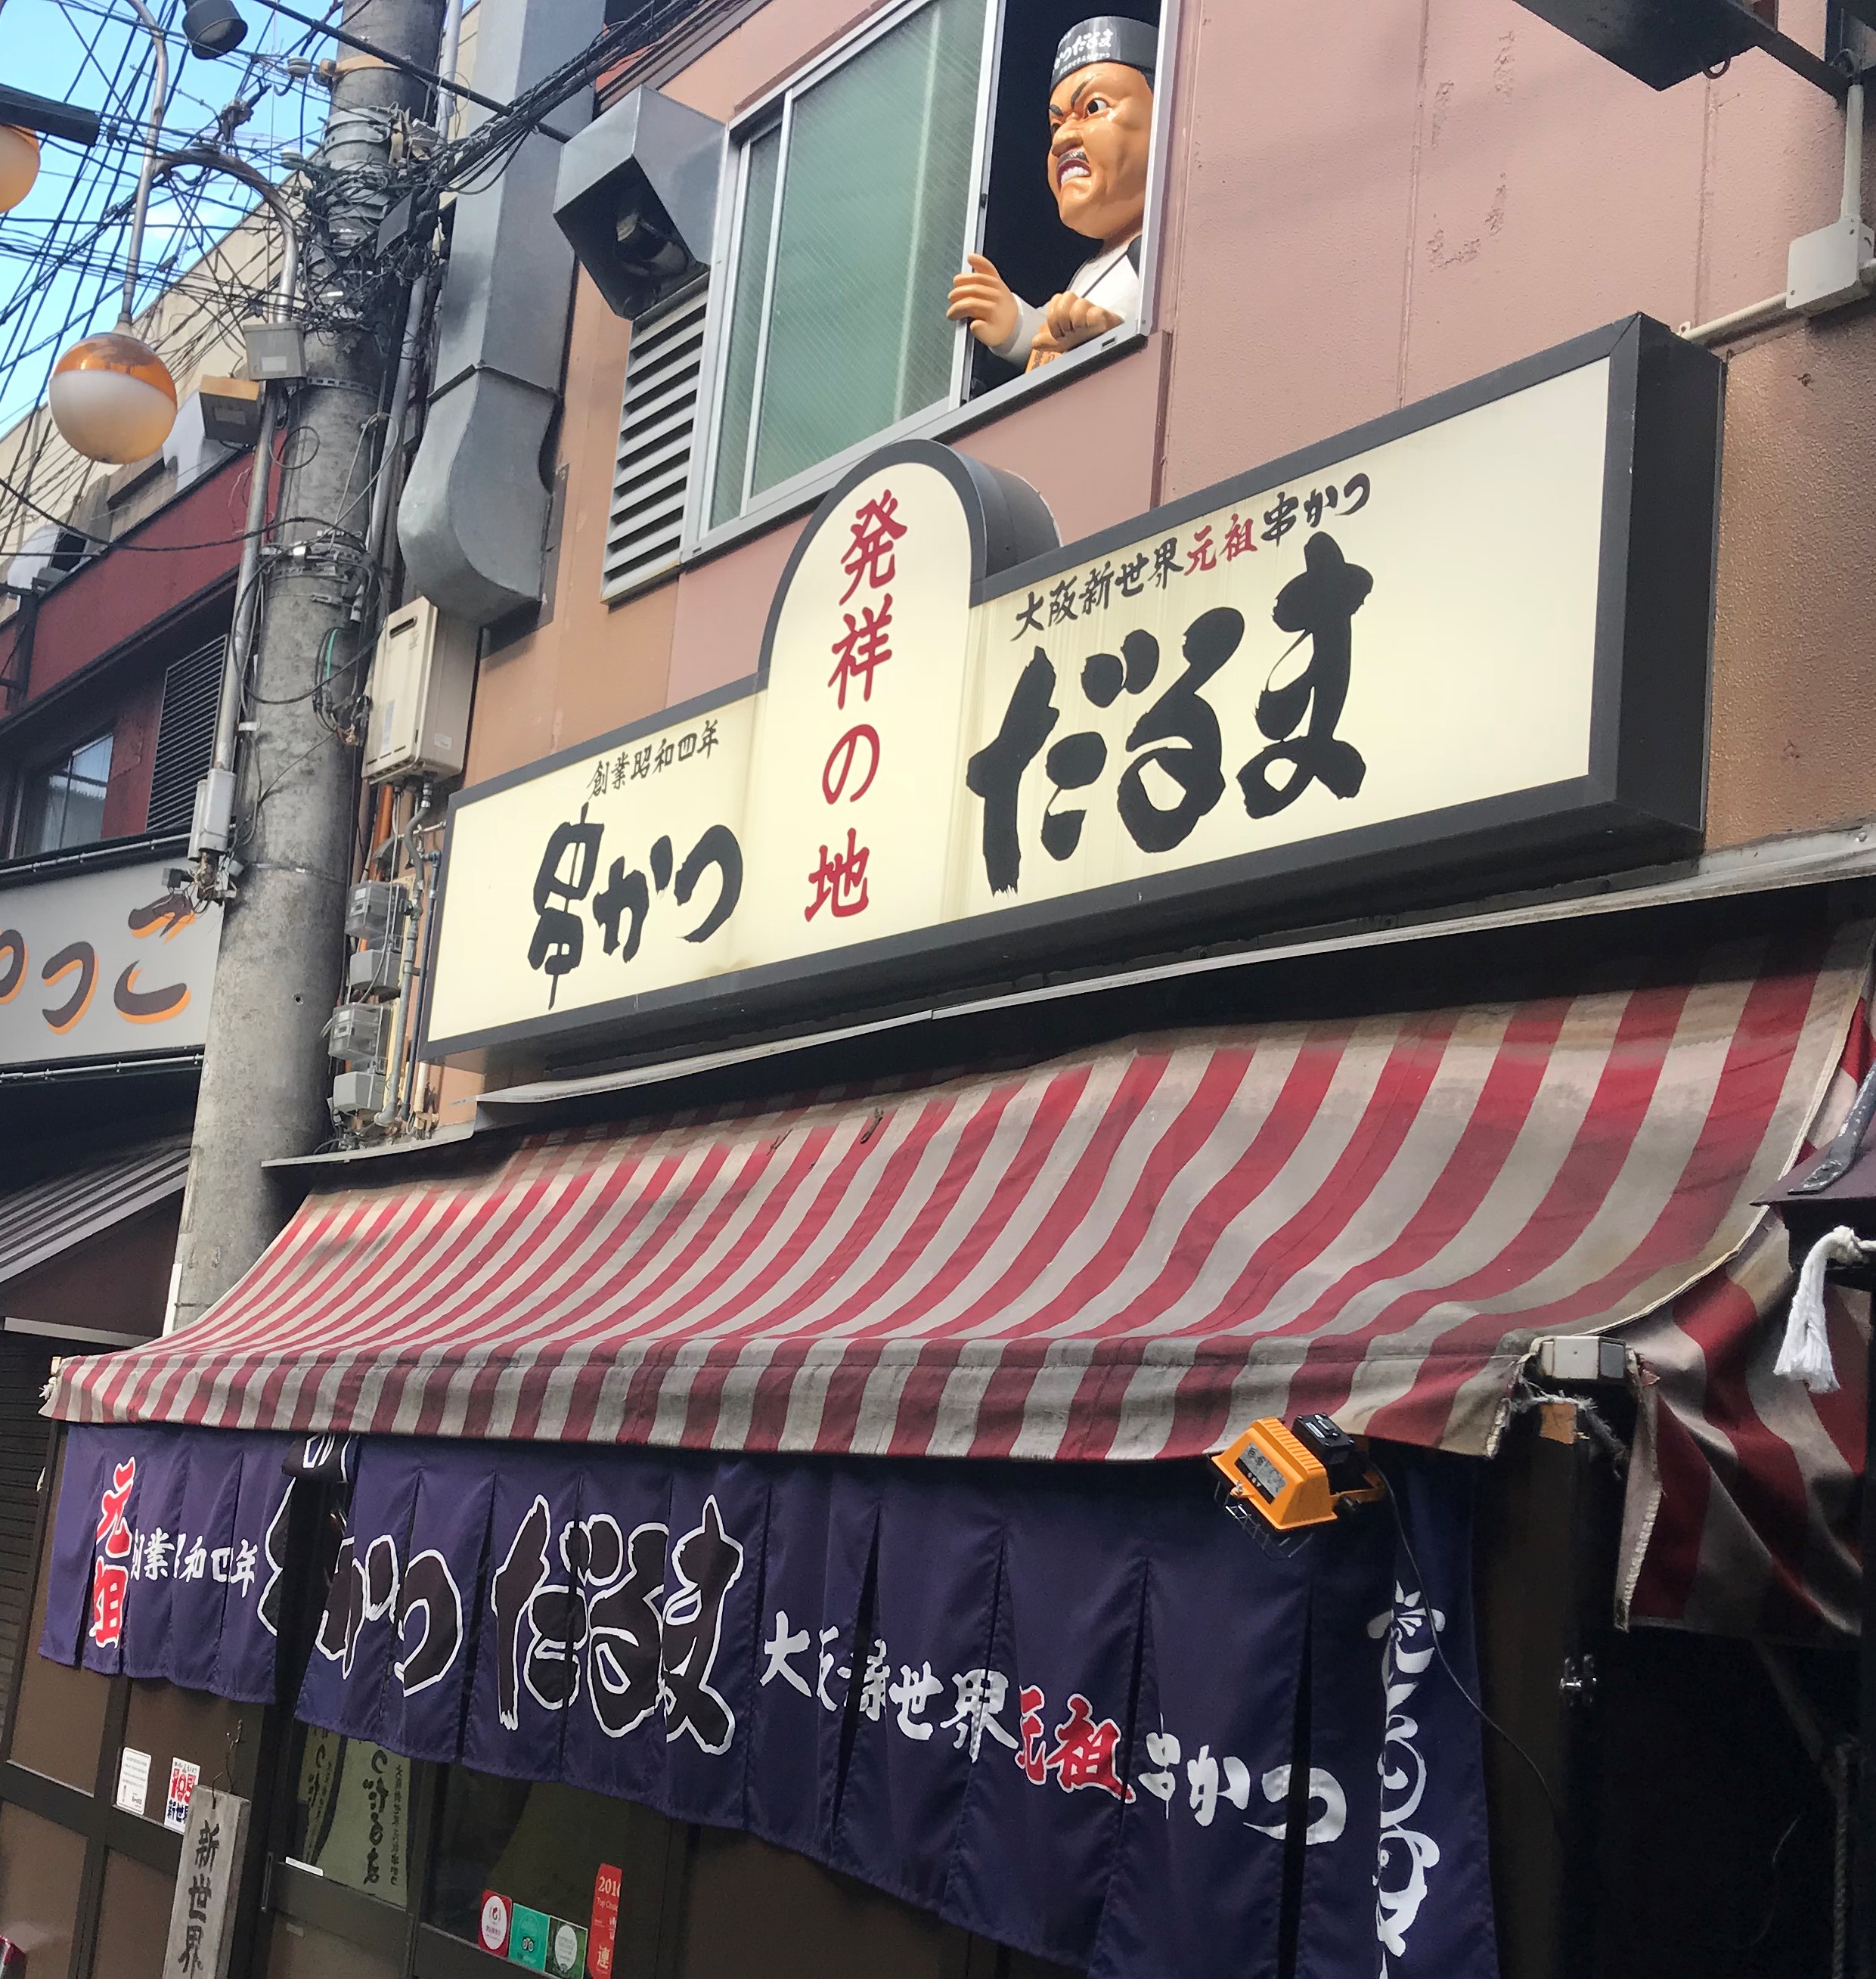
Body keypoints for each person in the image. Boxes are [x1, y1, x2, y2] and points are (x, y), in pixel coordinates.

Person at [947, 15, 1156, 372]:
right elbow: (1049, 336)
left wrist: (1111, 334)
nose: (1061, 140)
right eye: (1056, 125)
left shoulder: (1159, 252)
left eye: (1094, 108)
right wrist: (1012, 322)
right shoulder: (1088, 271)